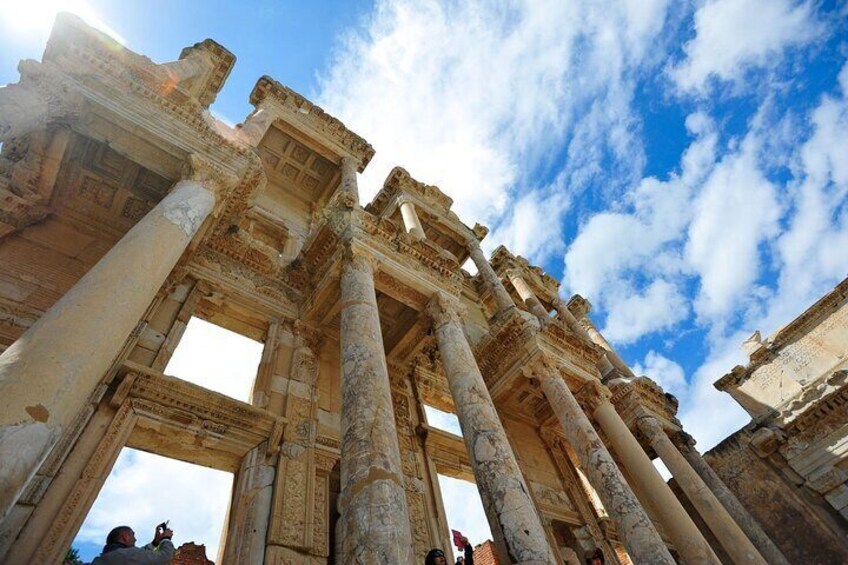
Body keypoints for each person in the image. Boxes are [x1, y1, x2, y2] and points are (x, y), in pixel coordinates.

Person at [91, 524, 175, 564]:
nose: (135, 539)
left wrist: (154, 543)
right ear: (125, 536)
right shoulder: (125, 555)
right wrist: (166, 538)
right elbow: (164, 557)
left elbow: (136, 557)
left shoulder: (104, 558)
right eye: (133, 535)